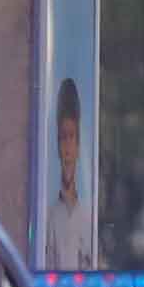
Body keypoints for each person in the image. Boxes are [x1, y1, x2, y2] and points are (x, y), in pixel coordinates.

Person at [46, 78, 99, 273]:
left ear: (78, 144)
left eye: (71, 136)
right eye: (63, 137)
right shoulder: (51, 215)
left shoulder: (87, 216)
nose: (67, 144)